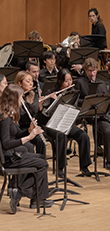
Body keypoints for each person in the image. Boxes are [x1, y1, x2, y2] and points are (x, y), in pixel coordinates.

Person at [0, 84, 53, 214]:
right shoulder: (4, 118)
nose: (22, 100)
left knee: (40, 158)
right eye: (21, 97)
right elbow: (6, 144)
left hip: (12, 155)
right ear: (14, 98)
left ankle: (35, 198)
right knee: (42, 163)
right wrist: (30, 137)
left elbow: (17, 134)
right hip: (9, 158)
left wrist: (28, 131)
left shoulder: (10, 115)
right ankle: (23, 193)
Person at [41, 69, 92, 177]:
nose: (69, 83)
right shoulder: (51, 92)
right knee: (61, 136)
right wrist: (55, 101)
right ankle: (60, 167)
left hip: (66, 122)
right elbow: (46, 113)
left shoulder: (73, 93)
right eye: (66, 81)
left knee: (83, 136)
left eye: (70, 80)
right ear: (60, 81)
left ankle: (85, 166)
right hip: (52, 124)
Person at [14, 71, 46, 156]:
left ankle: (41, 163)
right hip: (19, 129)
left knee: (40, 141)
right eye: (28, 81)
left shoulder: (33, 95)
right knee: (28, 146)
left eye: (31, 81)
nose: (31, 83)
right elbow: (20, 115)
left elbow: (34, 110)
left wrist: (25, 103)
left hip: (31, 126)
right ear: (20, 83)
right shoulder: (15, 97)